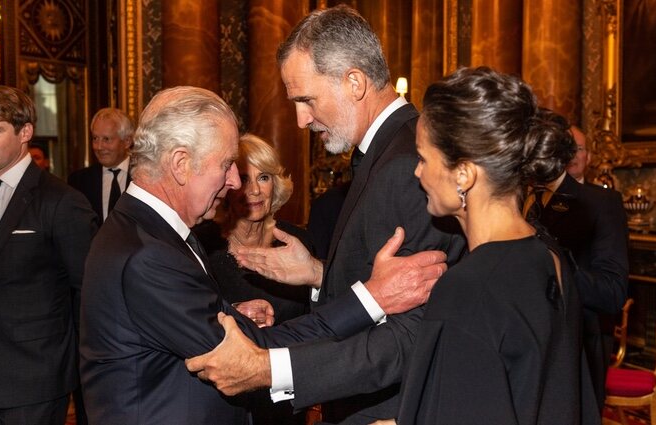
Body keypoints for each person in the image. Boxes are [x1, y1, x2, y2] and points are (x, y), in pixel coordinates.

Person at [187, 67, 601, 425]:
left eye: (423, 158)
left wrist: (265, 368)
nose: (417, 172)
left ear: (464, 175)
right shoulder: (546, 254)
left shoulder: (471, 285)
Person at [79, 86, 447, 425]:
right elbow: (253, 357)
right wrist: (373, 296)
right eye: (226, 165)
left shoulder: (146, 232)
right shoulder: (147, 254)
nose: (236, 183)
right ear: (180, 163)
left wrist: (226, 315)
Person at [225, 5, 465, 422]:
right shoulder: (390, 150)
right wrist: (319, 275)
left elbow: (413, 330)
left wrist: (272, 368)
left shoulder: (406, 164)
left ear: (354, 82)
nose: (300, 120)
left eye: (306, 99)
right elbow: (385, 282)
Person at [0, 85, 98, 424]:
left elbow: (89, 291)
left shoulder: (62, 200)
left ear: (25, 133)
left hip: (37, 376)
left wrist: (85, 367)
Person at [194, 133, 311, 425]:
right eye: (245, 179)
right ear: (227, 185)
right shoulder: (204, 247)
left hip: (288, 398)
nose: (255, 191)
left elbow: (319, 319)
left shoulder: (298, 244)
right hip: (225, 399)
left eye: (264, 178)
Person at [530, 117, 629, 413]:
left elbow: (612, 292)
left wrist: (555, 263)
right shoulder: (514, 197)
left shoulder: (599, 203)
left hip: (580, 345)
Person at [68, 107, 134, 222]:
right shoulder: (78, 181)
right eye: (95, 138)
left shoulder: (145, 178)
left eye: (106, 139)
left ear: (127, 141)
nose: (98, 147)